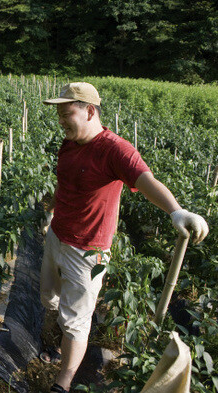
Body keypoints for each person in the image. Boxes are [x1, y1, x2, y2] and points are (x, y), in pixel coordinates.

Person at [39, 82, 209, 393]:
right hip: (57, 236)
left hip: (87, 251)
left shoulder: (114, 149)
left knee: (76, 321)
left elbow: (144, 179)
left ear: (90, 111)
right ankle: (54, 340)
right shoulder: (69, 144)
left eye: (67, 114)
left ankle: (61, 384)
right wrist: (50, 212)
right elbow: (65, 184)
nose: (62, 121)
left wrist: (176, 211)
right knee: (49, 297)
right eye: (60, 115)